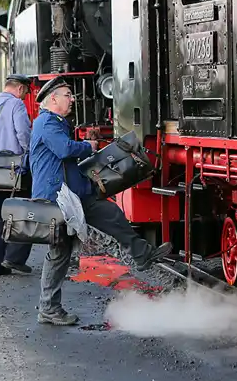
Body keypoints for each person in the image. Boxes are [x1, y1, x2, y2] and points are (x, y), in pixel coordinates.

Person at [30, 76, 172, 326]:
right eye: (67, 95)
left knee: (111, 215)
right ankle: (48, 308)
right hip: (58, 198)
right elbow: (64, 150)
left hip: (73, 194)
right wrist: (88, 145)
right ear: (53, 99)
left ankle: (141, 254)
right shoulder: (47, 122)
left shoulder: (54, 121)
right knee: (59, 251)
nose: (71, 99)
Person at [0, 74, 34, 277]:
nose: (26, 95)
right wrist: (30, 154)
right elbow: (23, 134)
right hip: (14, 169)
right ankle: (15, 258)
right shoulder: (16, 105)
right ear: (20, 89)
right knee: (24, 209)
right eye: (26, 91)